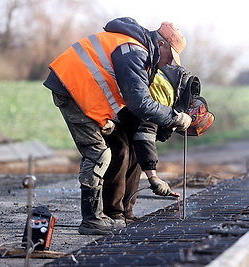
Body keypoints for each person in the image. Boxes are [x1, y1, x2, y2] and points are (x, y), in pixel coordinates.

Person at [43, 17, 192, 235]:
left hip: (84, 93)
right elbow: (140, 102)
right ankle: (92, 220)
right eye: (171, 56)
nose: (169, 63)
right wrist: (174, 117)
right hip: (73, 88)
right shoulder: (134, 51)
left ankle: (107, 215)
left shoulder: (137, 51)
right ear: (161, 44)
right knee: (99, 155)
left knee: (113, 149)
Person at [102, 64, 202, 226]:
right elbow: (146, 132)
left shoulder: (173, 92)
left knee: (135, 155)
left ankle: (126, 212)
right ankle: (112, 213)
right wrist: (153, 177)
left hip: (129, 116)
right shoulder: (162, 92)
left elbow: (156, 130)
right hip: (111, 113)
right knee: (121, 152)